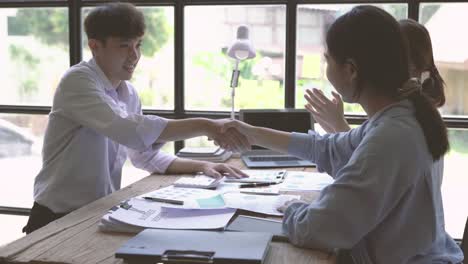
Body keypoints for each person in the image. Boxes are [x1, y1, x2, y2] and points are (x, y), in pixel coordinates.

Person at [222, 5, 464, 263]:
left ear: (351, 70)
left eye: (328, 60)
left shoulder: (392, 137)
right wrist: (251, 134)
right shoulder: (400, 117)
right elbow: (325, 147)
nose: (326, 70)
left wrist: (291, 208)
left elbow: (320, 229)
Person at [23, 2, 249, 234]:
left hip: (95, 213)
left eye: (138, 45)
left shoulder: (128, 93)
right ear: (95, 46)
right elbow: (130, 131)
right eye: (124, 46)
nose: (134, 55)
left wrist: (202, 165)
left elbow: (144, 156)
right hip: (55, 218)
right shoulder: (78, 81)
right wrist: (205, 126)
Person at [304, 18, 446, 133]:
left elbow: (374, 155)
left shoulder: (403, 118)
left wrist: (338, 125)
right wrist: (336, 126)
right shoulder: (409, 109)